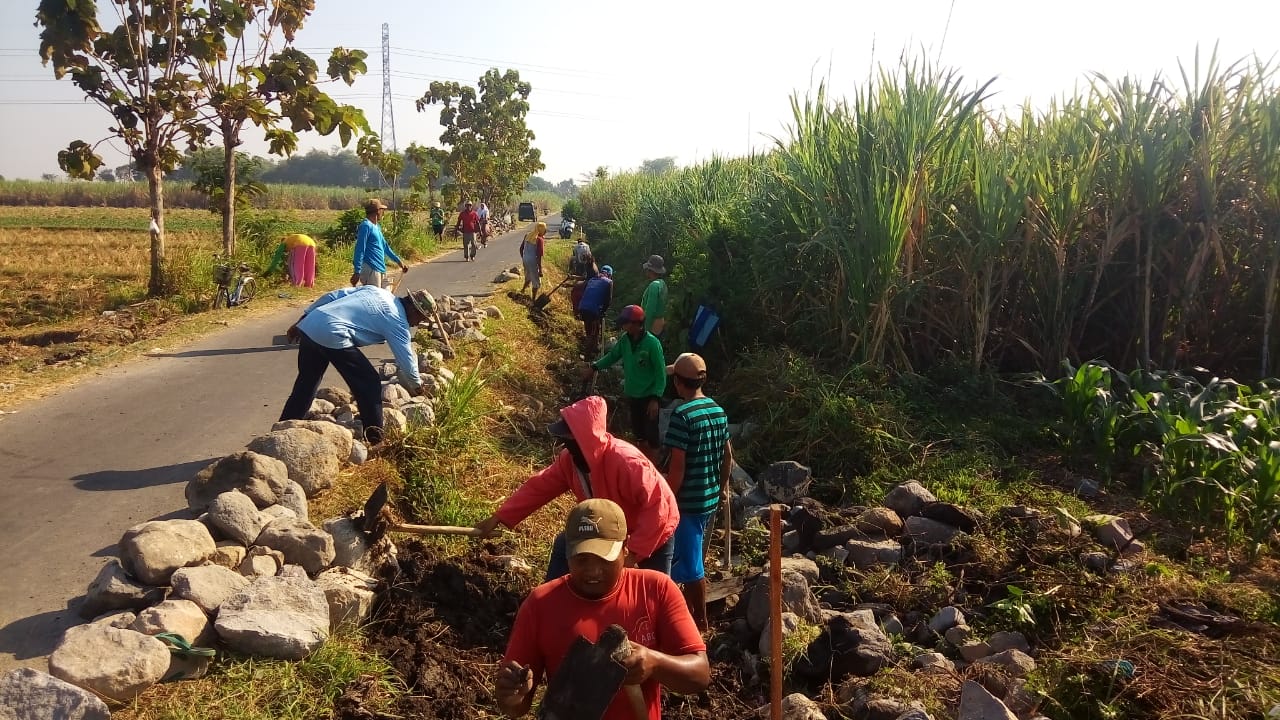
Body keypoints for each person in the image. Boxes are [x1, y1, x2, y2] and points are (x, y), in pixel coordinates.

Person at [494, 498, 710, 720]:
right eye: (581, 559)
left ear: (626, 547)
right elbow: (515, 705)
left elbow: (700, 674)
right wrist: (511, 698)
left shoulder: (656, 590)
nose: (592, 571)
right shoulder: (540, 604)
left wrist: (654, 662)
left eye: (603, 558)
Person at [473, 395, 679, 580]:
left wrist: (632, 554)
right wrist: (500, 517)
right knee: (566, 545)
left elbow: (657, 508)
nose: (563, 443)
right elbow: (540, 486)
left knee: (651, 592)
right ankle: (553, 605)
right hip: (611, 531)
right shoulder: (570, 461)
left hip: (654, 534)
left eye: (568, 437)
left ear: (585, 437)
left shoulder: (625, 461)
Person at [280, 286, 434, 445]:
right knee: (369, 383)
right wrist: (417, 387)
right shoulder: (398, 320)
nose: (416, 324)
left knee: (307, 381)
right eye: (421, 319)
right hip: (333, 332)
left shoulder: (377, 291)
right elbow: (406, 360)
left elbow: (331, 295)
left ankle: (284, 428)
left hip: (311, 323)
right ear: (414, 310)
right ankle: (375, 439)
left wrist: (303, 318)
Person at [662, 352, 732, 631]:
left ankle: (700, 623)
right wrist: (722, 486)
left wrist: (666, 500)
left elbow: (677, 467)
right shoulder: (717, 410)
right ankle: (684, 610)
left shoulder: (682, 415)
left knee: (691, 567)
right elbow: (727, 456)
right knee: (694, 555)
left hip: (687, 502)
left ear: (678, 382)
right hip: (709, 498)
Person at [584, 305, 666, 461]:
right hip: (633, 395)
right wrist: (594, 367)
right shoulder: (625, 340)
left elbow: (660, 373)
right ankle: (643, 465)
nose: (623, 326)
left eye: (625, 323)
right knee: (639, 434)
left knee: (652, 436)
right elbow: (612, 356)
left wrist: (656, 398)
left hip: (649, 398)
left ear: (636, 324)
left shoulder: (652, 344)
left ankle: (654, 468)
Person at [351, 199, 407, 289]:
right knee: (374, 299)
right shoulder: (366, 226)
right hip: (371, 268)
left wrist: (399, 262)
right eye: (382, 210)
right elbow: (360, 249)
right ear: (377, 211)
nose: (383, 213)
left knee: (386, 298)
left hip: (380, 268)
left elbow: (385, 247)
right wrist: (357, 271)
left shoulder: (377, 227)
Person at [576, 265, 614, 355]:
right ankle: (587, 357)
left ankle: (594, 348)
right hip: (592, 310)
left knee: (591, 330)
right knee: (592, 334)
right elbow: (608, 300)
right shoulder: (609, 282)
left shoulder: (592, 279)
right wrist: (602, 312)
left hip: (582, 307)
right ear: (610, 275)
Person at [640, 254, 668, 337]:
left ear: (650, 270)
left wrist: (644, 329)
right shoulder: (662, 283)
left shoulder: (654, 286)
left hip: (652, 325)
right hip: (659, 323)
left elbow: (650, 310)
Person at [519, 221, 546, 300]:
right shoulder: (539, 240)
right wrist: (540, 269)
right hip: (533, 261)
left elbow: (521, 249)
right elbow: (539, 256)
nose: (545, 232)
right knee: (536, 281)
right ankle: (533, 299)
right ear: (542, 230)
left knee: (528, 276)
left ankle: (523, 290)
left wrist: (524, 258)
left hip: (525, 259)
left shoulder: (527, 235)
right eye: (544, 230)